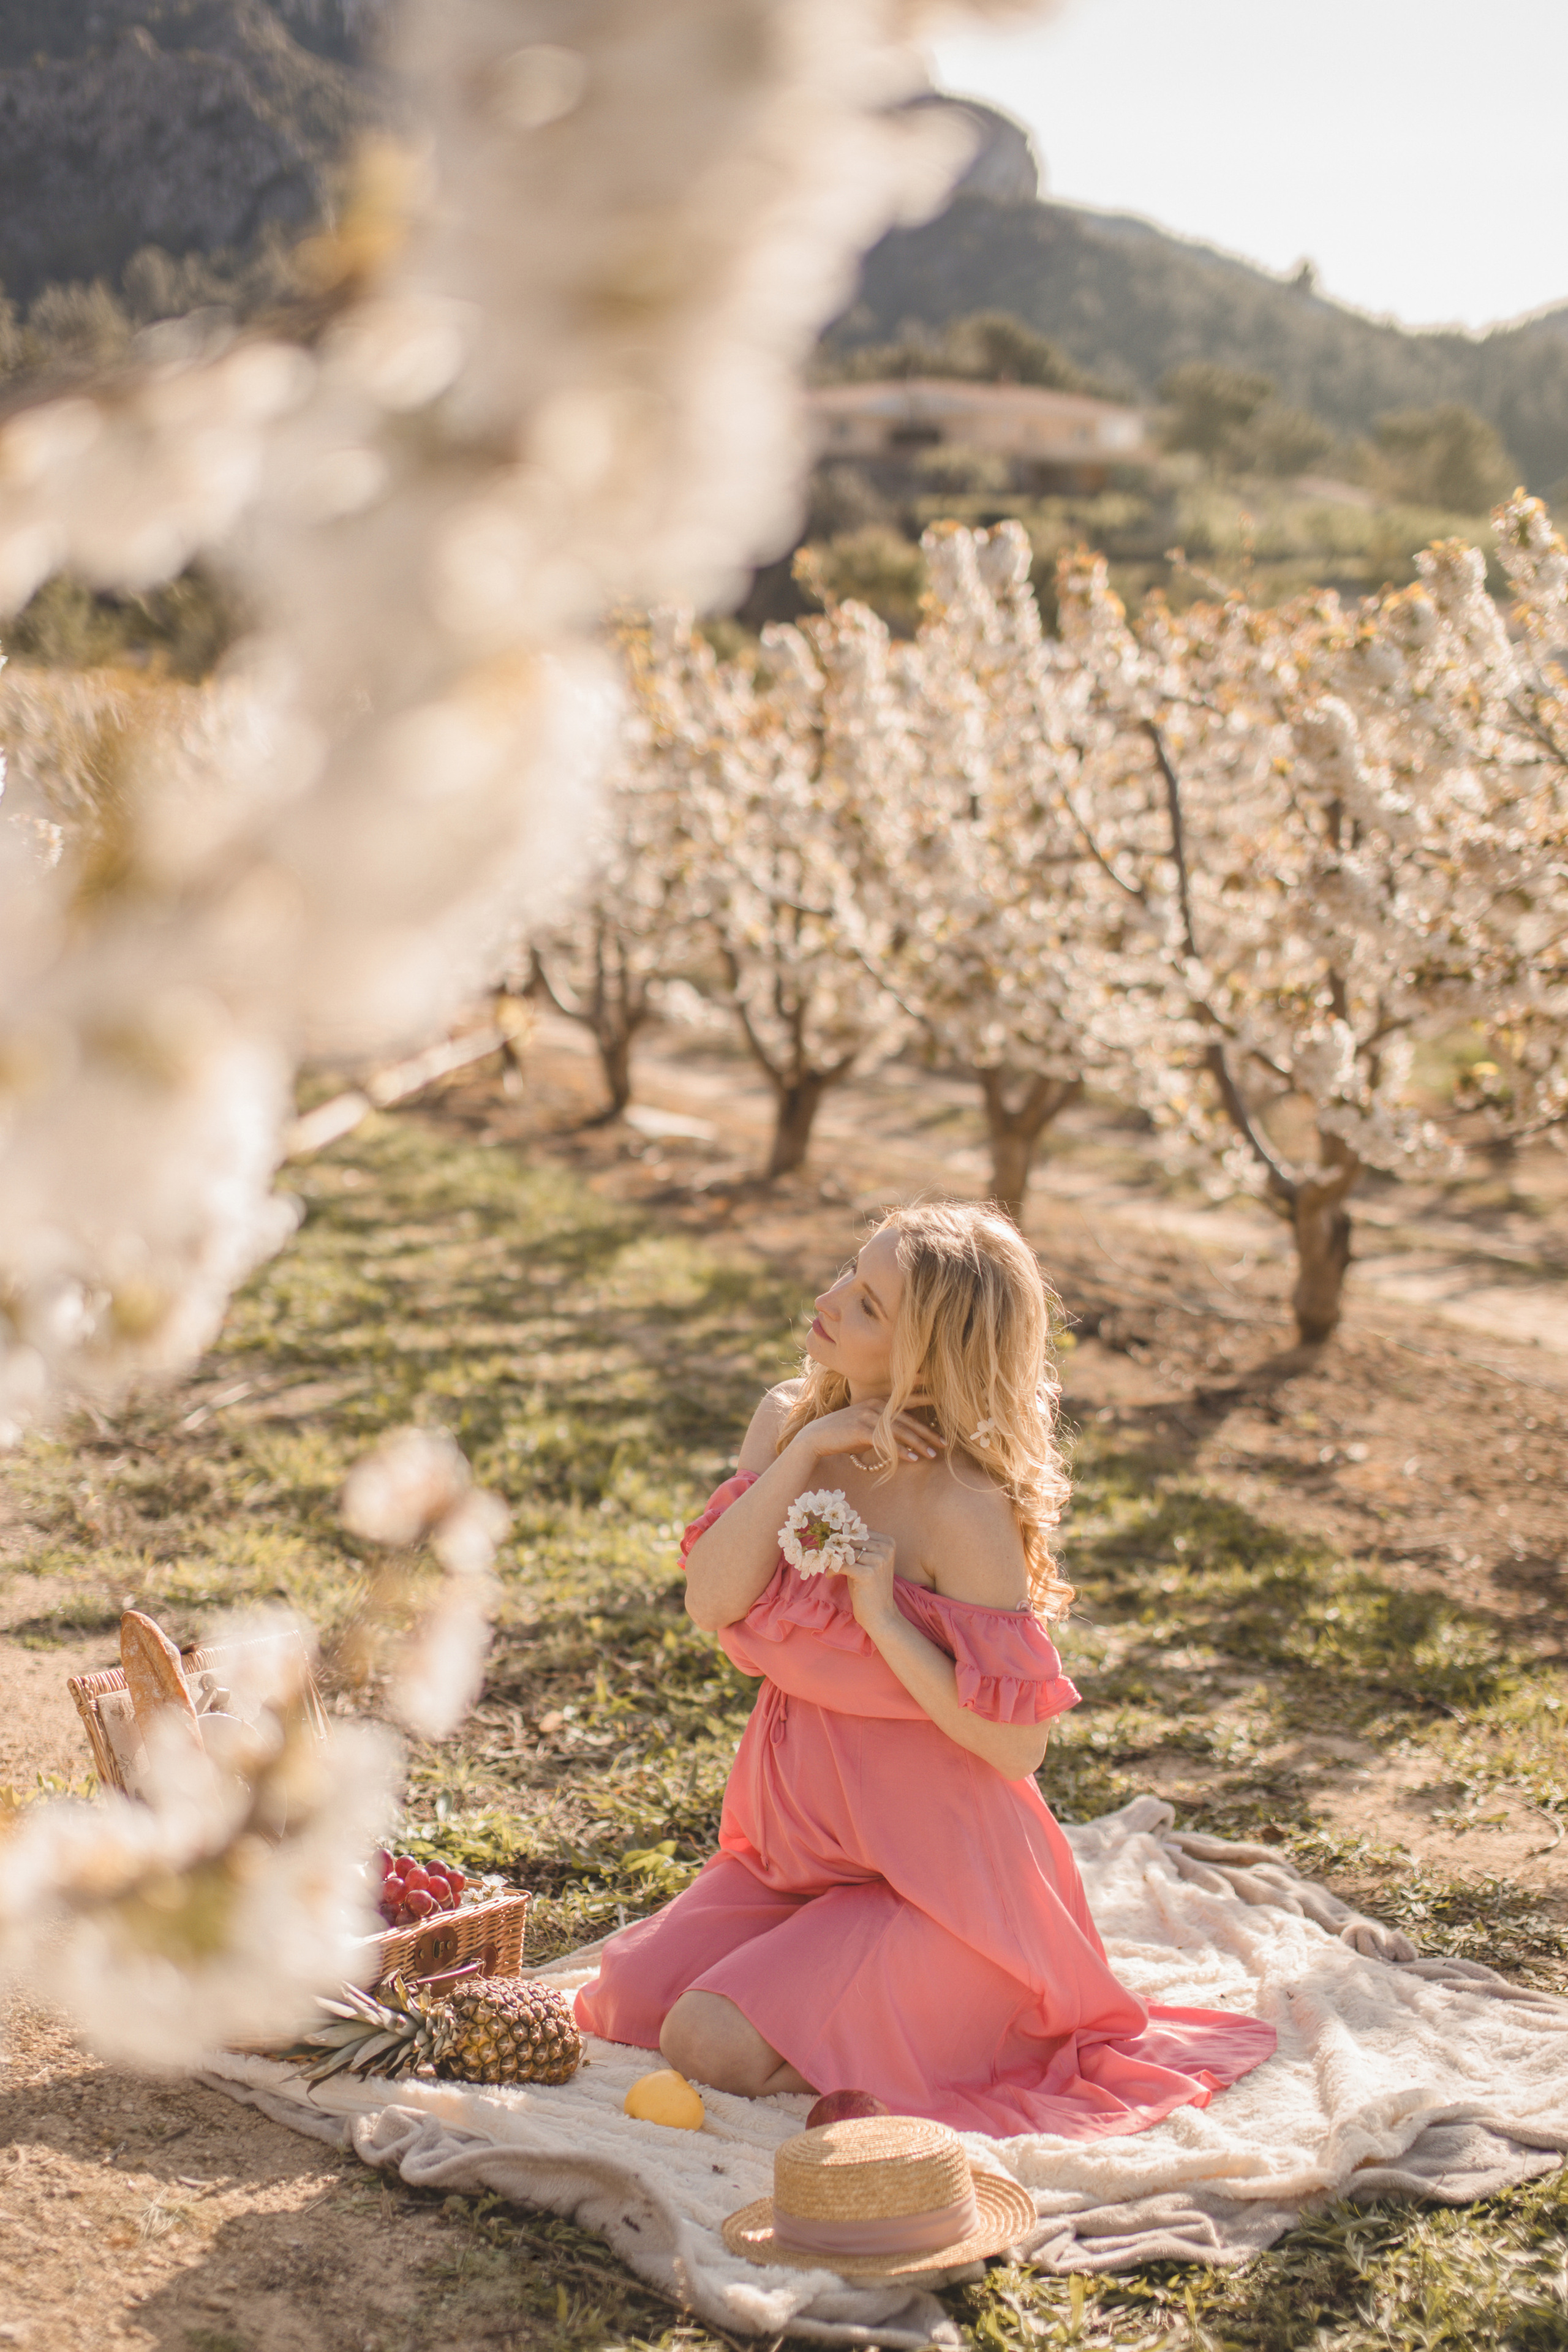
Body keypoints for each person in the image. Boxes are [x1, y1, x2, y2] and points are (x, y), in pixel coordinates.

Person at [573, 1201, 1275, 2136]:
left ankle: (967, 2003)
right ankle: (840, 1987)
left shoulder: (961, 1506)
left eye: (865, 1304)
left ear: (926, 1358)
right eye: (847, 1274)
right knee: (629, 1997)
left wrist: (884, 1622)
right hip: (801, 1856)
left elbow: (1017, 1746)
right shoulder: (792, 1417)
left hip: (937, 1880)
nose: (826, 1300)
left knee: (707, 2040)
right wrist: (806, 1454)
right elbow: (711, 1600)